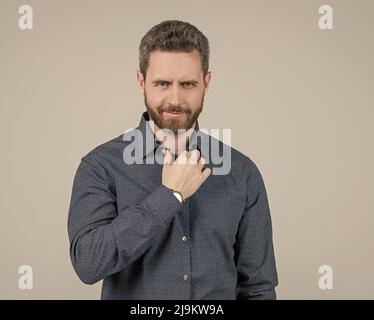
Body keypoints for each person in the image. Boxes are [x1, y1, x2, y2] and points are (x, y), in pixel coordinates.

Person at [67, 20, 278, 299]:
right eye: (163, 83)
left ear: (207, 82)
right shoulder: (101, 166)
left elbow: (258, 287)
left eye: (188, 84)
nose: (175, 99)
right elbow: (89, 263)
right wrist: (169, 196)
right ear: (141, 82)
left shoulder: (242, 172)